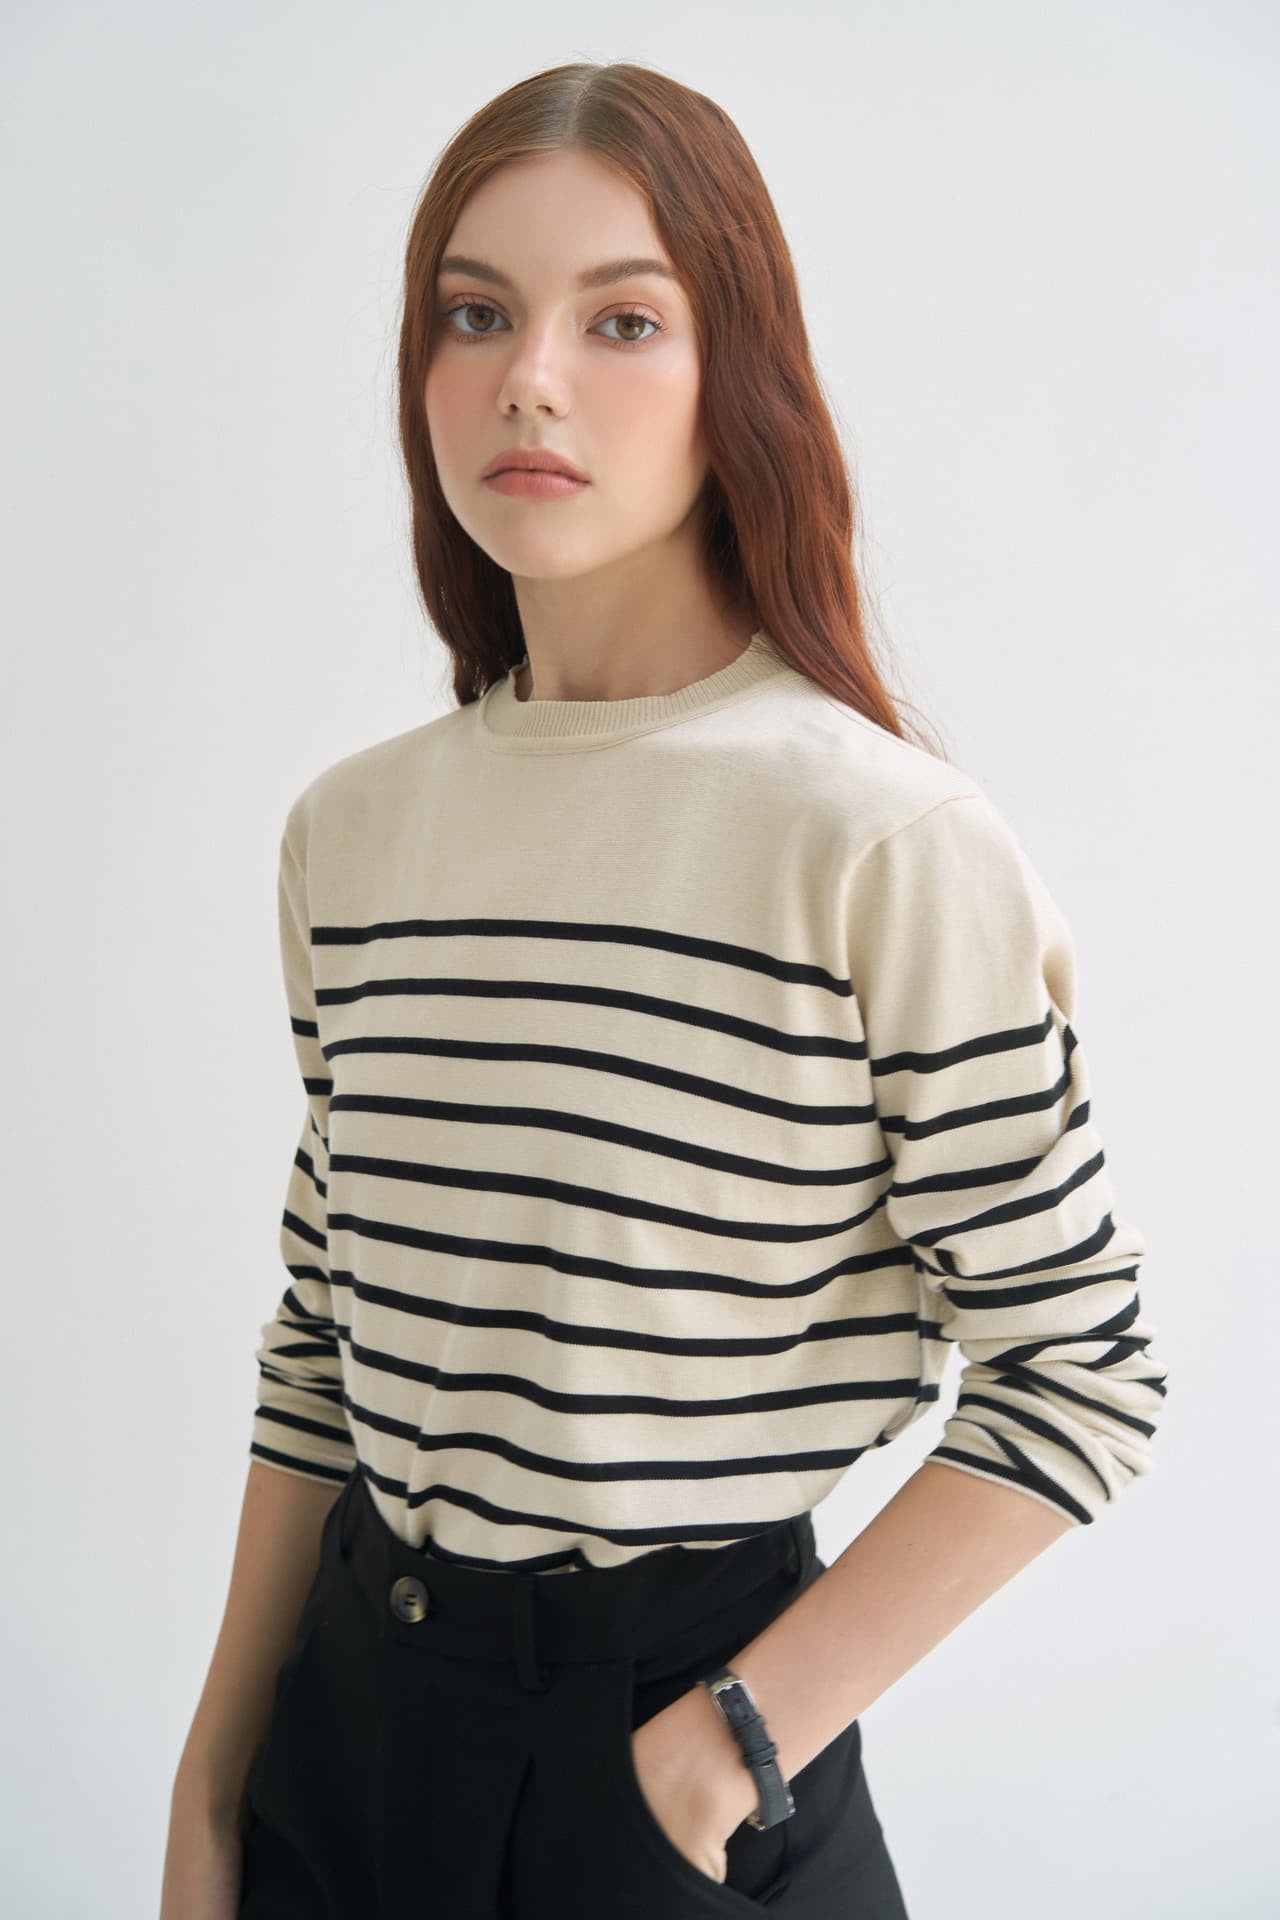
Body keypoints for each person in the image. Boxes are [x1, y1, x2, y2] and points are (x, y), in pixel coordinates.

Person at [160, 59, 1169, 1920]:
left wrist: (719, 1758)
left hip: (675, 1748)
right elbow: (328, 1330)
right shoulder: (352, 834)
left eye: (622, 320)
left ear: (740, 376)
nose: (530, 378)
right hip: (346, 1734)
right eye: (475, 314)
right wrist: (212, 1784)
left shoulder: (875, 840)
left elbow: (1080, 1375)